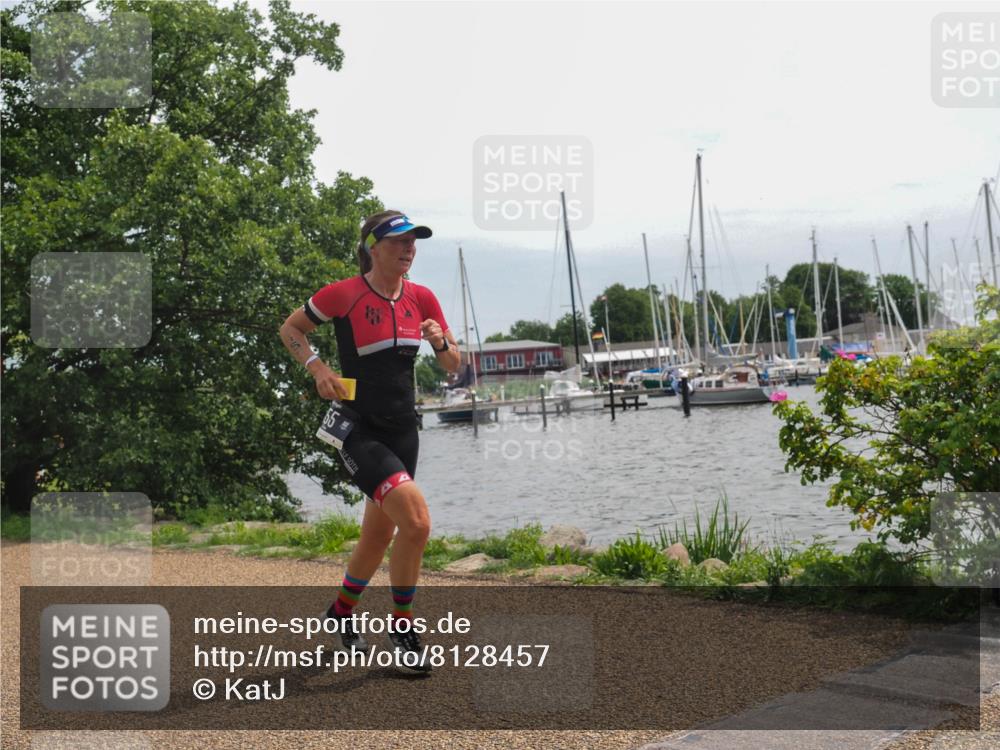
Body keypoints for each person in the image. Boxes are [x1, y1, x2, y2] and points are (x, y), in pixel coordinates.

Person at [280, 210, 460, 672]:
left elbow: (454, 367)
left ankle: (339, 613)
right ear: (373, 247)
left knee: (379, 535)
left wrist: (440, 343)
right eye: (400, 241)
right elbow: (291, 328)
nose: (409, 249)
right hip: (358, 430)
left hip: (404, 430)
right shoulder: (345, 293)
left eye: (414, 242)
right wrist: (318, 368)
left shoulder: (422, 298)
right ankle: (402, 629)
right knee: (416, 523)